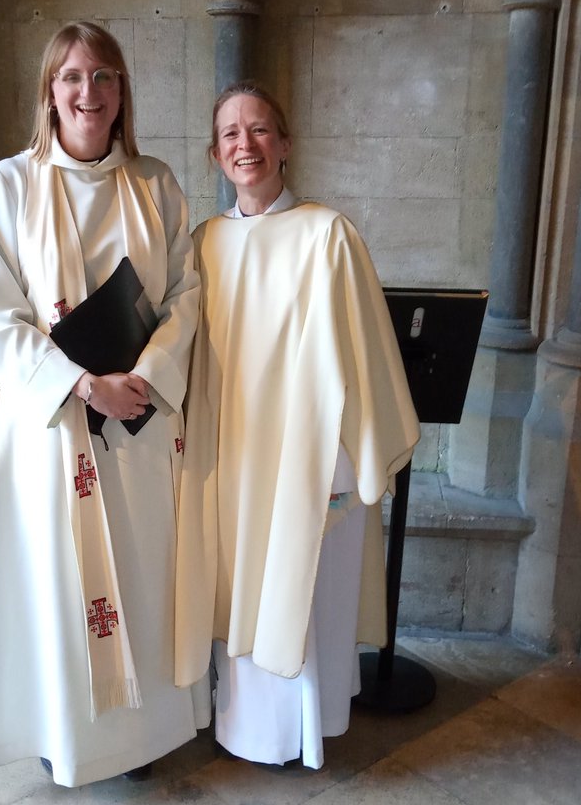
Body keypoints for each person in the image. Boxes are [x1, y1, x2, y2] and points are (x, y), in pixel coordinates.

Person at [0, 22, 208, 788]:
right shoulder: (9, 184)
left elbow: (187, 294)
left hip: (137, 420)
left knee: (141, 573)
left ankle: (142, 738)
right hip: (53, 425)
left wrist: (150, 373)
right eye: (72, 76)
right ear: (50, 91)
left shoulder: (155, 183)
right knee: (62, 584)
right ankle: (67, 736)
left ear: (121, 91)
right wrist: (79, 383)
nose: (88, 92)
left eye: (104, 76)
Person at [175, 82, 420, 770]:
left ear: (285, 144)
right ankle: (243, 728)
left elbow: (364, 351)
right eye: (229, 134)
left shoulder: (327, 234)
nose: (244, 145)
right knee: (235, 585)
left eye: (259, 130)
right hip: (230, 456)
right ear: (215, 155)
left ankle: (301, 733)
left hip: (307, 455)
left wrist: (350, 457)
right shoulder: (204, 244)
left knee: (299, 590)